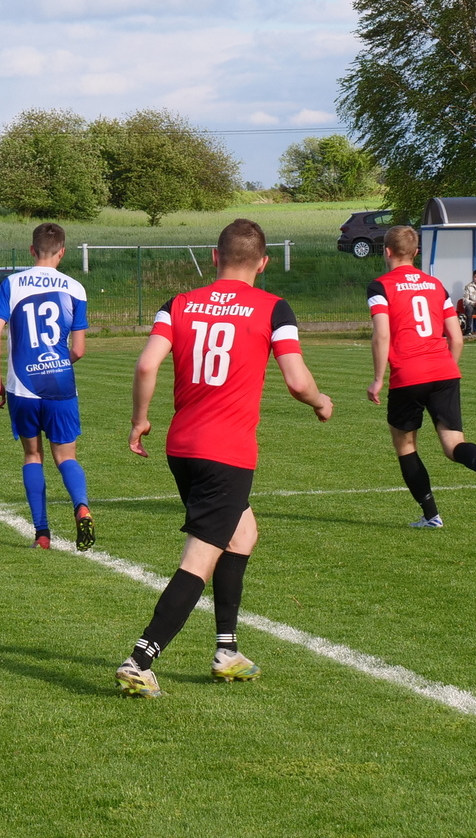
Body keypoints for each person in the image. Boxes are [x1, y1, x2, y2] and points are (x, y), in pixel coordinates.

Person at [116, 219, 333, 697]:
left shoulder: (178, 303)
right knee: (200, 557)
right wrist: (321, 402)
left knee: (243, 532)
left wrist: (139, 420)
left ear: (215, 257)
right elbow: (297, 381)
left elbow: (147, 363)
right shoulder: (273, 307)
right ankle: (141, 659)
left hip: (182, 446)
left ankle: (227, 651)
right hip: (227, 453)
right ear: (264, 263)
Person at [366, 225, 476, 528]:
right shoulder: (435, 285)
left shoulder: (380, 287)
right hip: (444, 370)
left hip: (408, 374)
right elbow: (456, 337)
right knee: (454, 445)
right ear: (416, 252)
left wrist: (378, 379)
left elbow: (382, 335)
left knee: (406, 446)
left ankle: (432, 516)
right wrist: (446, 370)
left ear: (387, 252)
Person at [0, 224, 95, 551]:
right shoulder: (75, 288)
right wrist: (56, 364)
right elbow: (79, 350)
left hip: (22, 386)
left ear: (32, 250)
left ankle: (42, 534)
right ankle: (81, 506)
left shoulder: (11, 283)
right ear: (62, 252)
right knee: (66, 456)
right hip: (60, 383)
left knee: (32, 454)